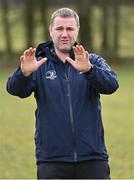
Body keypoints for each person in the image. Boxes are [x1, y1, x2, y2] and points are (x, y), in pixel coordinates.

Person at [6, 7, 119, 179]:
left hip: (92, 158)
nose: (64, 34)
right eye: (59, 29)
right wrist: (24, 74)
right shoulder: (39, 63)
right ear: (51, 31)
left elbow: (111, 85)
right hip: (52, 160)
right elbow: (16, 90)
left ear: (77, 30)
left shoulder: (92, 61)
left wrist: (89, 70)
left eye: (69, 28)